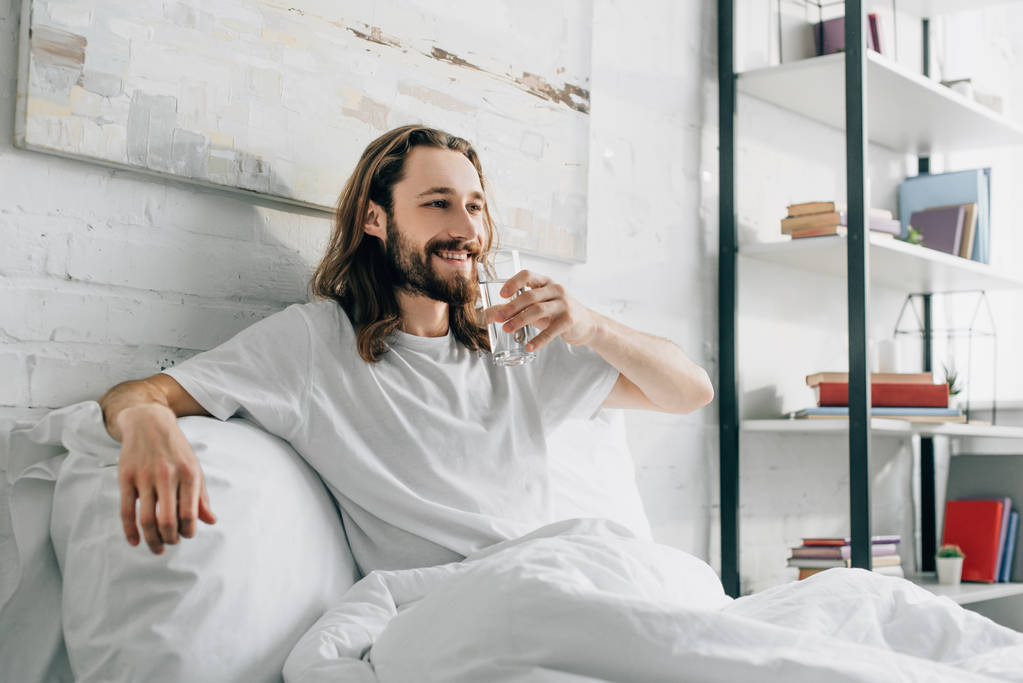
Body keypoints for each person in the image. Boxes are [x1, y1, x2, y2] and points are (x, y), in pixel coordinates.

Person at [99, 125, 714, 575]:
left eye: (475, 206)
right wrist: (149, 425)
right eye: (437, 203)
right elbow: (140, 393)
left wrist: (592, 326)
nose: (469, 230)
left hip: (552, 575)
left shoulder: (512, 338)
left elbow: (690, 392)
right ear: (374, 219)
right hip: (451, 607)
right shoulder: (314, 344)